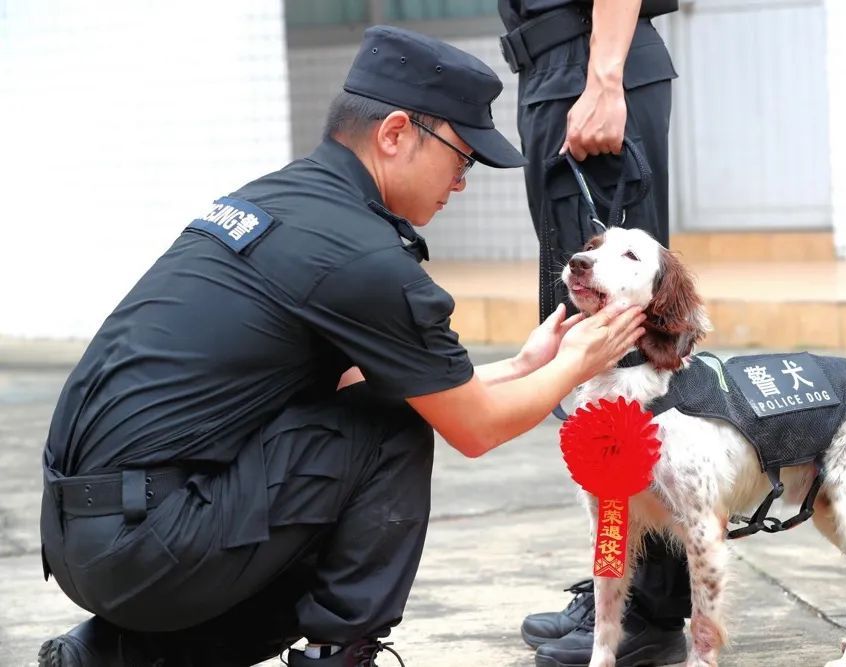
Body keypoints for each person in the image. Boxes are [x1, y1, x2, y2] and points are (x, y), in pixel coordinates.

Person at [37, 25, 648, 667]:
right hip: (150, 543)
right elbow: (474, 427)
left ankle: (112, 654)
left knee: (363, 423)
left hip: (88, 535)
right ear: (395, 133)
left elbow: (385, 387)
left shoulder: (283, 199)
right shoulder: (364, 259)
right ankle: (340, 655)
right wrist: (582, 360)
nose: (462, 183)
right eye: (462, 158)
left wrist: (527, 365)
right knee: (388, 435)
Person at [498, 1, 693, 666]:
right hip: (562, 67)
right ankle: (625, 587)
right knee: (598, 370)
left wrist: (604, 78)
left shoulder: (600, 78)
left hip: (591, 62)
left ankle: (648, 608)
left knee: (626, 359)